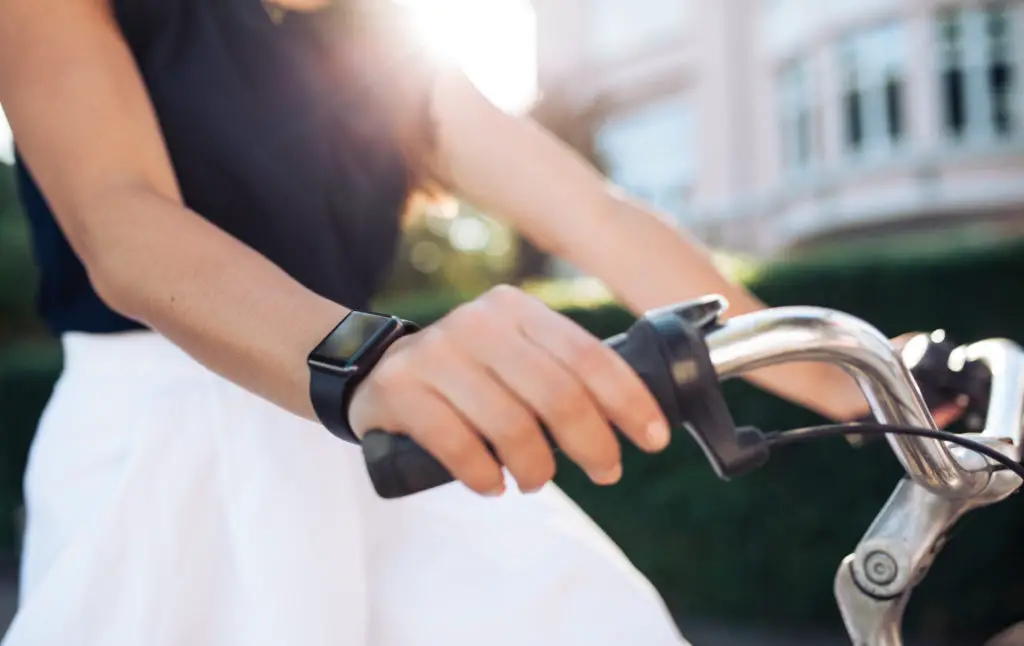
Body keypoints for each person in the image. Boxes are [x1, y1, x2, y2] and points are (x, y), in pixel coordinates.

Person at [0, 1, 958, 644]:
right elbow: (121, 222)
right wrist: (361, 355)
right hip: (167, 447)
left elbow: (598, 217)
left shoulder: (375, 46)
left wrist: (859, 381)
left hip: (386, 435)